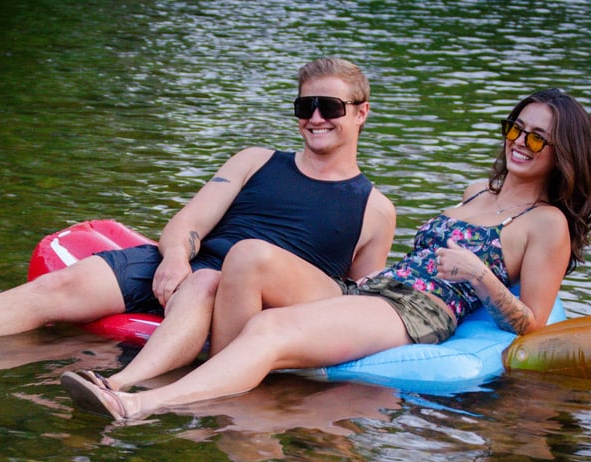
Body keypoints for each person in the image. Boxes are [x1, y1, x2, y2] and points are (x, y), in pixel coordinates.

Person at [0, 57, 396, 392]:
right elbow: (190, 219)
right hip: (191, 266)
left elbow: (352, 296)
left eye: (329, 106)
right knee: (65, 284)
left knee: (213, 277)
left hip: (257, 293)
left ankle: (119, 386)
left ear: (361, 112)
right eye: (305, 106)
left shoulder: (374, 207)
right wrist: (177, 259)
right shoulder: (255, 159)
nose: (315, 118)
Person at [61, 88, 591, 420]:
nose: (521, 143)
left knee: (267, 331)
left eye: (539, 139)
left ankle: (138, 404)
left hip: (419, 311)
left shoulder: (548, 225)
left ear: (562, 152)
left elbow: (532, 325)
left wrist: (481, 277)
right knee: (247, 255)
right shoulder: (479, 188)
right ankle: (171, 384)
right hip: (377, 289)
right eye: (516, 129)